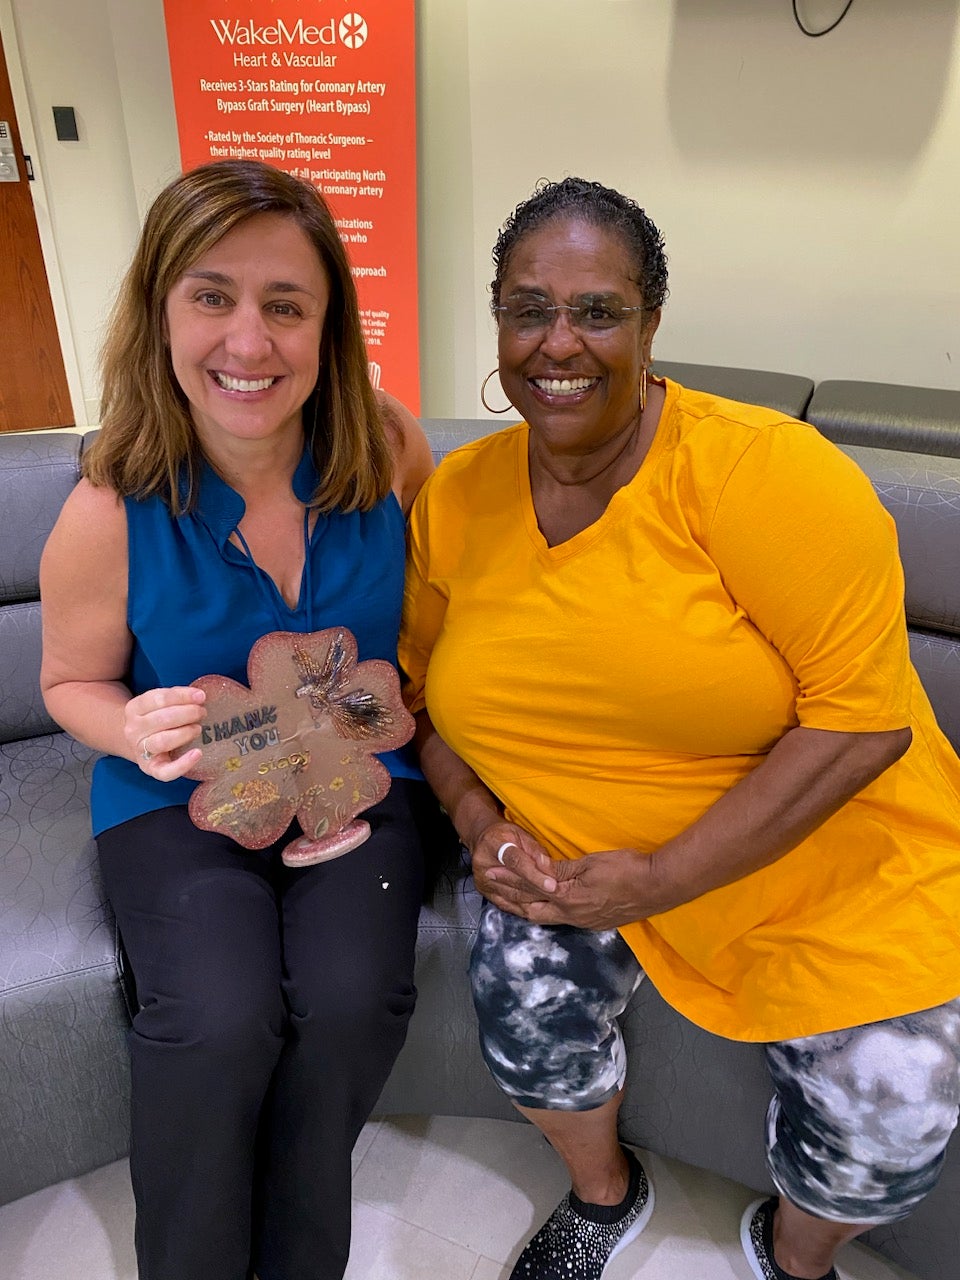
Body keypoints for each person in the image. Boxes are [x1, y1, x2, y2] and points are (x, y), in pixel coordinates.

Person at [399, 176, 960, 1280]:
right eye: (527, 308)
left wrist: (659, 878)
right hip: (567, 852)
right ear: (498, 321)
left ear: (651, 323)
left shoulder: (767, 473)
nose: (559, 341)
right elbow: (419, 701)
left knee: (893, 1124)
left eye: (597, 310)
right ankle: (602, 1193)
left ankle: (794, 1257)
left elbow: (863, 726)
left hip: (820, 854)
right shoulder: (457, 499)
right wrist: (473, 819)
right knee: (523, 1018)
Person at [39, 159, 434, 1280]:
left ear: (330, 325)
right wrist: (130, 729)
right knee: (216, 1015)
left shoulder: (390, 452)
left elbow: (442, 617)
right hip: (177, 796)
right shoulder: (110, 507)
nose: (249, 342)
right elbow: (70, 682)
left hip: (361, 784)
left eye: (286, 305)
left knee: (351, 1000)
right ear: (161, 310)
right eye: (212, 296)